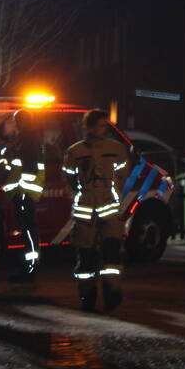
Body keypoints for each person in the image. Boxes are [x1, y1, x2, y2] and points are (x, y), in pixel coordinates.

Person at [63, 109, 130, 312]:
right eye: (100, 125)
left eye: (105, 125)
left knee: (112, 253)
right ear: (89, 127)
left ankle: (112, 291)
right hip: (85, 211)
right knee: (86, 257)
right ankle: (88, 294)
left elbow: (122, 177)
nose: (103, 129)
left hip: (109, 209)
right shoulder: (75, 152)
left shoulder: (116, 150)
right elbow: (69, 180)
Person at [0, 109, 46, 282]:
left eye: (17, 120)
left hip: (25, 193)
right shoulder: (24, 139)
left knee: (29, 231)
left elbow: (30, 171)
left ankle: (30, 269)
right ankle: (27, 268)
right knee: (27, 232)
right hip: (22, 193)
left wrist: (23, 193)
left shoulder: (30, 139)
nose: (15, 124)